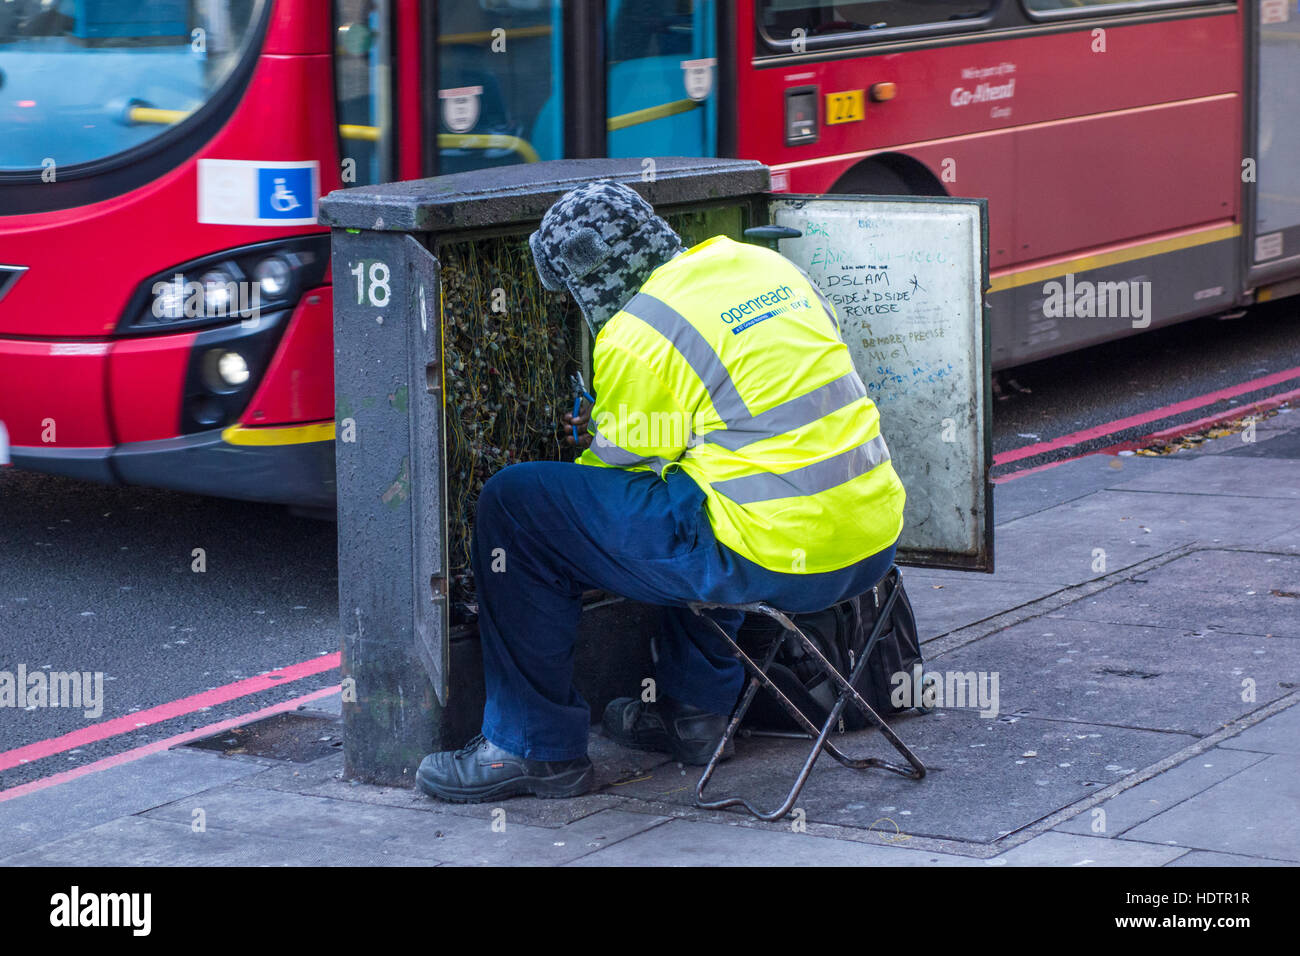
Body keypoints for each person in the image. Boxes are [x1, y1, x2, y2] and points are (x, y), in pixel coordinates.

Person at [416, 180, 905, 803]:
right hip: (871, 543)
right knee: (705, 482)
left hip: (774, 557)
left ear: (589, 278)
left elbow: (618, 477)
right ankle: (697, 713)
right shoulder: (762, 265)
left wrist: (594, 429)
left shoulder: (635, 331)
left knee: (518, 506)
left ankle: (530, 748)